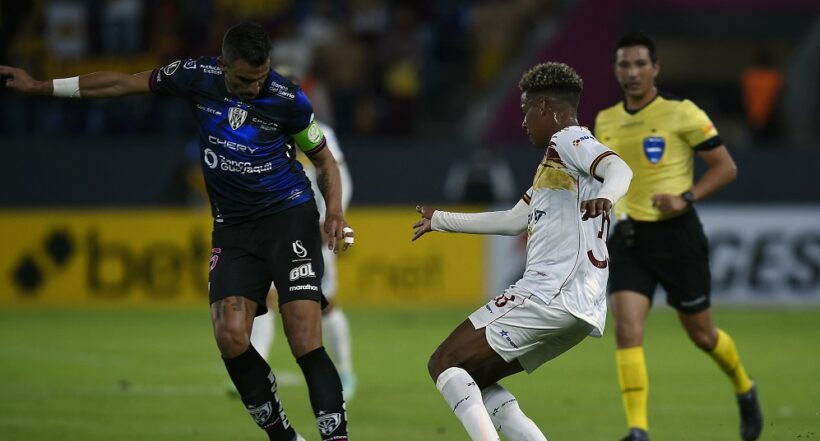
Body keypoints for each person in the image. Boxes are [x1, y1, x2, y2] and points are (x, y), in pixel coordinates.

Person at [1, 22, 353, 441]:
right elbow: (119, 84)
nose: (253, 88)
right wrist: (41, 87)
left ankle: (336, 437)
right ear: (223, 65)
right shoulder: (195, 76)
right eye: (243, 80)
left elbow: (324, 159)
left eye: (259, 78)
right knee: (230, 337)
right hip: (233, 227)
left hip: (288, 217)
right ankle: (284, 435)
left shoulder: (286, 98)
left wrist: (333, 212)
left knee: (302, 334)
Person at [412, 62, 633, 441]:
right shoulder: (554, 164)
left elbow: (619, 168)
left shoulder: (569, 141)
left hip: (551, 293)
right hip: (581, 307)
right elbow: (516, 219)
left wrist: (608, 197)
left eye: (526, 110)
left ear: (545, 107)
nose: (524, 122)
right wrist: (442, 220)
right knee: (475, 379)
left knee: (444, 363)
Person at [593, 32, 762, 441]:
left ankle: (744, 386)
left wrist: (687, 197)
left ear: (655, 68)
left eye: (639, 64)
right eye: (624, 65)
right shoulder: (605, 120)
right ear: (616, 71)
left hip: (676, 236)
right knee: (627, 329)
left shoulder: (682, 112)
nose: (631, 73)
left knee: (703, 336)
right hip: (629, 237)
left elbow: (725, 166)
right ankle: (638, 430)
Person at [249, 113, 357, 400]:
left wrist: (332, 219)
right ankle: (254, 370)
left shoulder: (320, 132)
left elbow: (336, 174)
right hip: (281, 228)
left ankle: (345, 372)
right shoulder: (262, 128)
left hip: (317, 229)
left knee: (325, 305)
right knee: (267, 295)